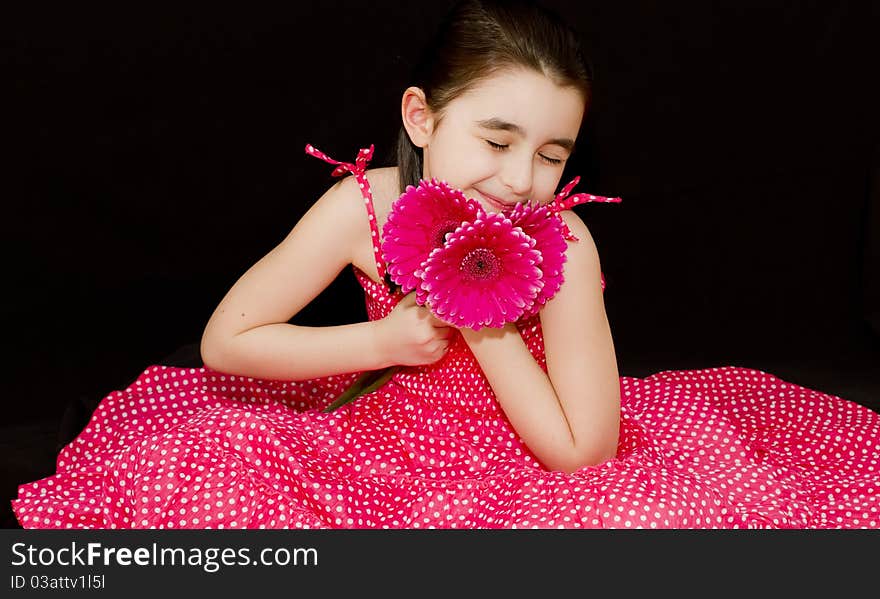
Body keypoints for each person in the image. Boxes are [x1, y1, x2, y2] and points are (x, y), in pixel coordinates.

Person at [11, 0, 879, 529]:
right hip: (373, 441)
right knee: (216, 490)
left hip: (525, 464)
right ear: (423, 118)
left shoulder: (565, 241)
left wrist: (490, 324)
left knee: (637, 519)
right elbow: (228, 341)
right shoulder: (371, 204)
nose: (518, 178)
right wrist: (388, 338)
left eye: (550, 151)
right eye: (495, 139)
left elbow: (586, 452)